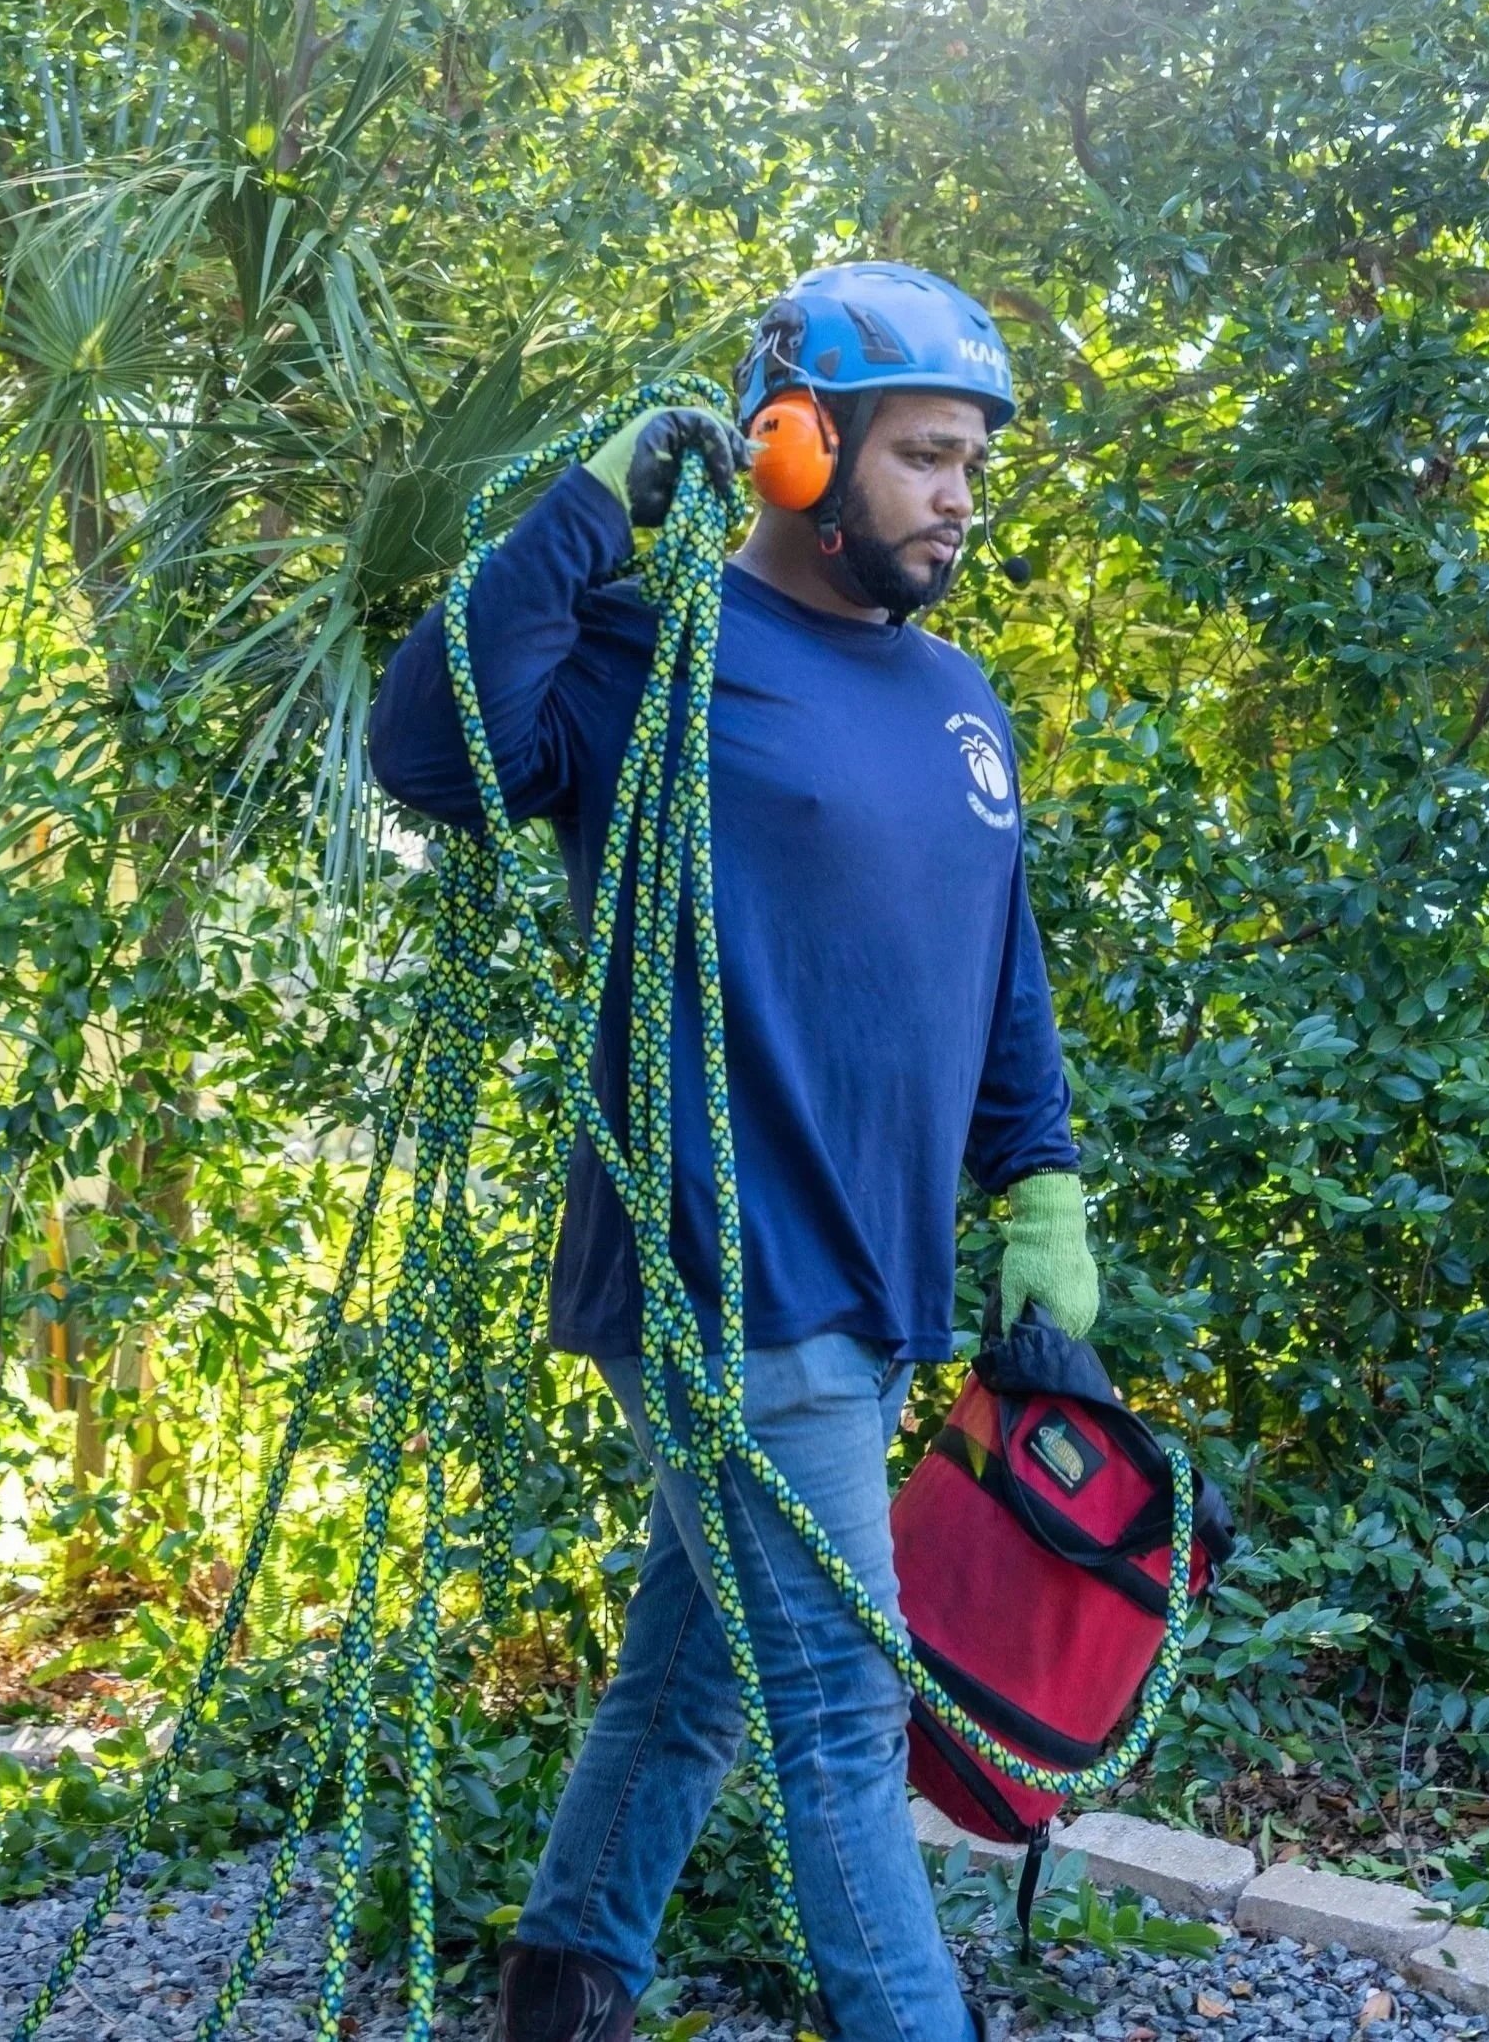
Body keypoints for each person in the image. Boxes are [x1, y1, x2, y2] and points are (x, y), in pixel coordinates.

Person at [368, 262, 1101, 2042]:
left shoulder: (959, 702)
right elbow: (426, 753)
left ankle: (562, 1985)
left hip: (874, 1284)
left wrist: (1044, 1185)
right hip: (723, 1266)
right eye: (924, 456)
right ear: (796, 447)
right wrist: (579, 513)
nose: (957, 498)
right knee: (846, 1712)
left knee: (691, 1676)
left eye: (972, 465)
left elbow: (999, 974)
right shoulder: (657, 654)